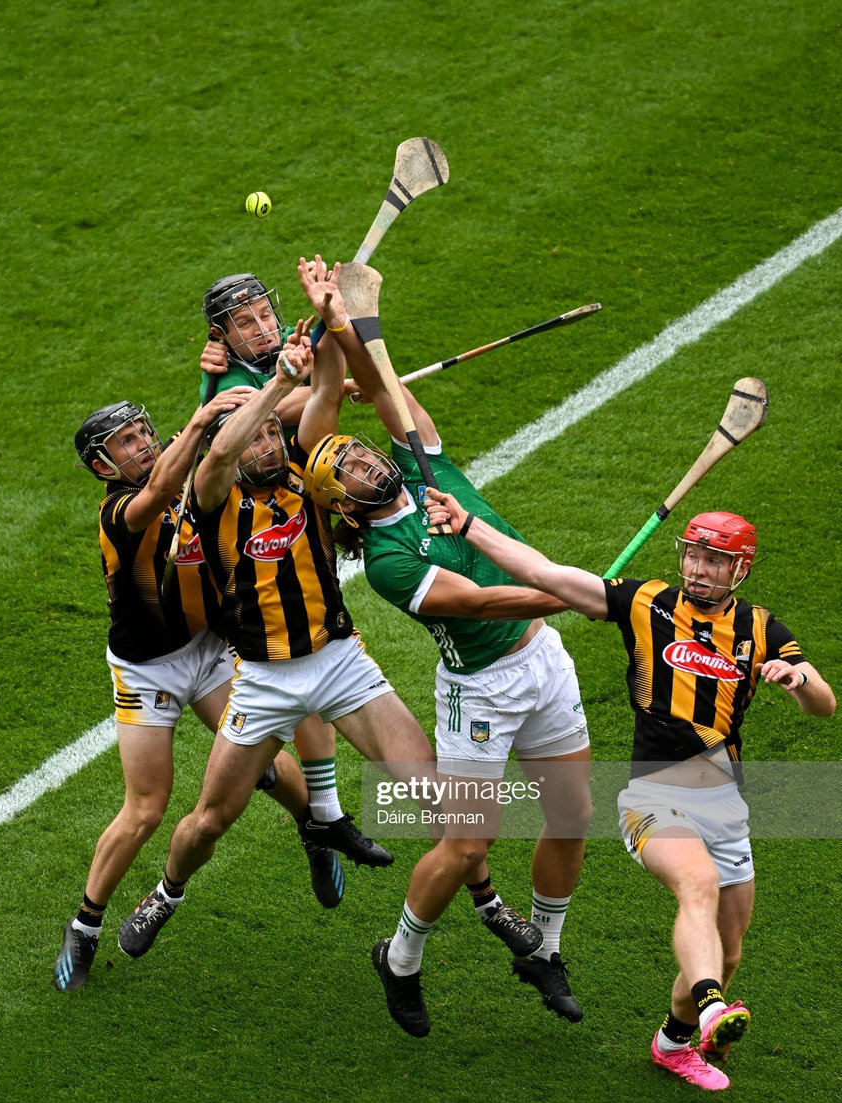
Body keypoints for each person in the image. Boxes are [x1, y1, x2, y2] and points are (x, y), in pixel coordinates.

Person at [117, 311, 540, 983]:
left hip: (342, 666)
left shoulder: (308, 481)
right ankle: (166, 892)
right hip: (262, 680)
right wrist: (273, 384)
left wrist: (327, 331)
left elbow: (324, 395)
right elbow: (221, 450)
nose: (265, 444)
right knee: (210, 819)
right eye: (254, 436)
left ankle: (490, 904)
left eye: (269, 435)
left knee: (436, 796)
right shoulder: (211, 493)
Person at [422, 490, 836, 1088]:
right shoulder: (648, 603)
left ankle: (675, 1041)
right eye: (692, 555)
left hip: (724, 798)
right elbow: (547, 575)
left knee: (730, 941)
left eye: (713, 560)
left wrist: (797, 679)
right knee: (698, 885)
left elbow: (823, 705)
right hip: (654, 793)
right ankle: (714, 1005)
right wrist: (469, 527)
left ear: (739, 568)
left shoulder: (762, 628)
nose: (697, 568)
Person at [296, 258, 593, 1037]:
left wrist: (347, 321)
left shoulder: (424, 465)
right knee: (467, 842)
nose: (364, 459)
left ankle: (545, 950)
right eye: (347, 469)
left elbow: (390, 396)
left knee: (570, 815)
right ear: (343, 509)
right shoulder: (392, 565)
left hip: (543, 663)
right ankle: (398, 957)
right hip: (480, 691)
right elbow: (485, 599)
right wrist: (582, 593)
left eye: (360, 452)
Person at [54, 379, 340, 992]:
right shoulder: (121, 512)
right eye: (126, 443)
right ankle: (85, 927)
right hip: (147, 669)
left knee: (262, 762)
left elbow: (265, 436)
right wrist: (207, 413)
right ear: (103, 466)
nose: (141, 446)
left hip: (209, 650)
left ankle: (316, 833)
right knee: (147, 807)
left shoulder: (199, 476)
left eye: (142, 433)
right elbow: (160, 489)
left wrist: (319, 388)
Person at [199, 272, 354, 851]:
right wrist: (313, 378)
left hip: (295, 522)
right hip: (242, 543)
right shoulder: (227, 382)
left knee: (305, 650)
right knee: (285, 658)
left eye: (267, 315)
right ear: (222, 335)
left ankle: (324, 816)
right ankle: (309, 805)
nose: (263, 328)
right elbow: (267, 416)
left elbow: (318, 391)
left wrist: (324, 370)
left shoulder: (242, 360)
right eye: (246, 322)